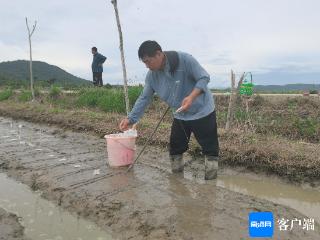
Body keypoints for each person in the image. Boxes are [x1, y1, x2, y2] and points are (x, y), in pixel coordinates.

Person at [119, 40, 219, 180]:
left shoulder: (185, 60)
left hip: (202, 111)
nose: (147, 66)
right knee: (176, 147)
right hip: (180, 114)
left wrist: (191, 97)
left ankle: (210, 185)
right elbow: (144, 98)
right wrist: (131, 119)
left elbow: (204, 77)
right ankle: (177, 181)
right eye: (144, 63)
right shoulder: (152, 76)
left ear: (159, 54)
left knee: (210, 149)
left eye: (148, 61)